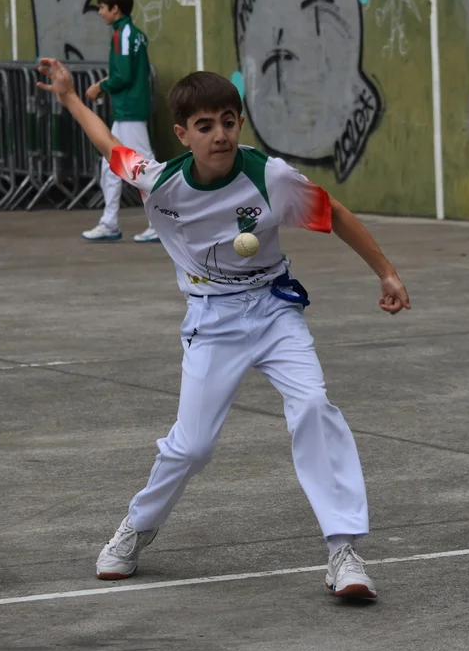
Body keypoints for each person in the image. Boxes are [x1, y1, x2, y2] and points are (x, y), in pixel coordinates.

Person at [37, 59, 412, 600]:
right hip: (211, 321)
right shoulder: (160, 182)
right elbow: (110, 146)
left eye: (229, 122)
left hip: (275, 309)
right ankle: (138, 527)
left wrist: (387, 272)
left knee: (313, 406)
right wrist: (71, 98)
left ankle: (343, 550)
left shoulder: (270, 177)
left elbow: (336, 215)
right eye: (206, 125)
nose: (220, 135)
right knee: (192, 448)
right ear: (182, 134)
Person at [81, 0, 159, 244]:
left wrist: (100, 86)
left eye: (103, 7)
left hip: (129, 111)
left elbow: (123, 75)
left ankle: (160, 223)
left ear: (115, 9)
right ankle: (109, 222)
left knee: (144, 168)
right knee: (110, 166)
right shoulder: (134, 34)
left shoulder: (122, 35)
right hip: (129, 110)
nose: (100, 12)